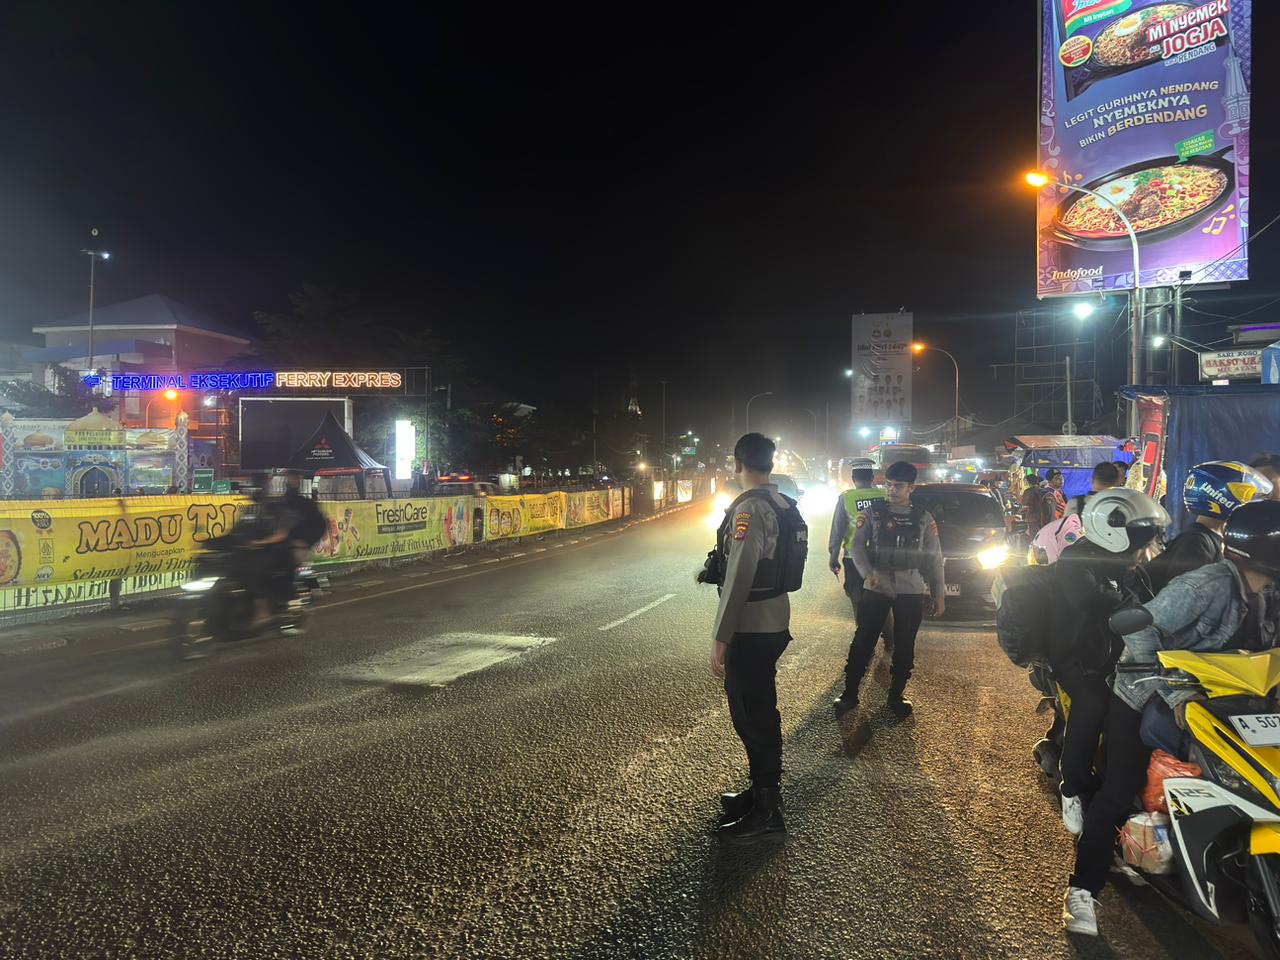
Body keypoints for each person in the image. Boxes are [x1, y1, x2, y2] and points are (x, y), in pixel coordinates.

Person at [1063, 499, 1280, 937]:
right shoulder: (1205, 586)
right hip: (1147, 693)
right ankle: (1082, 890)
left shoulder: (1268, 594)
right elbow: (1138, 626)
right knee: (1118, 789)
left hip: (1220, 703)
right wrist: (1177, 692)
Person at [1048, 490, 1169, 837]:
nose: (1147, 548)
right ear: (1114, 531)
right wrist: (1128, 583)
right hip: (1080, 656)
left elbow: (1151, 602)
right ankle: (1072, 787)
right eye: (1142, 540)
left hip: (1120, 655)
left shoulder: (1128, 563)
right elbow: (1098, 600)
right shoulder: (1076, 559)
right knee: (1094, 704)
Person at [710, 433, 798, 843]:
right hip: (776, 618)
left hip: (751, 626)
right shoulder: (782, 502)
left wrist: (721, 635)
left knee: (752, 714)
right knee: (758, 710)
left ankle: (767, 813)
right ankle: (761, 792)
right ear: (771, 464)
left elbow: (739, 575)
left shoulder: (748, 509)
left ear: (737, 464)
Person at [834, 460, 944, 718]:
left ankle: (896, 696)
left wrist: (938, 594)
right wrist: (867, 573)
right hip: (877, 586)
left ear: (911, 488)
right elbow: (856, 546)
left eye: (899, 486)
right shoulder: (872, 513)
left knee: (905, 645)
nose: (892, 490)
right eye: (889, 485)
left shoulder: (924, 518)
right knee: (863, 641)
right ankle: (850, 693)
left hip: (911, 588)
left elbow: (934, 556)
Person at [1140, 460, 1272, 597]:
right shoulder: (1196, 543)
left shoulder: (1209, 539)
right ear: (1219, 495)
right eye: (1248, 496)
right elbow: (1183, 597)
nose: (1251, 505)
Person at [827, 458, 894, 652]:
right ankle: (890, 639)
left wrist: (833, 556)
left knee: (859, 600)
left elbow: (838, 531)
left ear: (853, 478)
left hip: (854, 558)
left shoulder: (846, 498)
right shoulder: (885, 495)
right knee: (882, 598)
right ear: (872, 477)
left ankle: (865, 642)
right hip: (882, 557)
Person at [250, 471, 327, 625]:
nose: (289, 480)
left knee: (269, 569)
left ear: (298, 480)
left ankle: (272, 607)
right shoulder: (282, 502)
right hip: (279, 545)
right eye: (288, 477)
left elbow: (319, 526)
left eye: (293, 477)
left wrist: (305, 542)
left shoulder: (306, 505)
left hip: (296, 547)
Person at [1021, 470, 1056, 536]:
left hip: (1032, 517)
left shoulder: (1028, 492)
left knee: (1034, 536)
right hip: (1043, 517)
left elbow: (1024, 503)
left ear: (1028, 482)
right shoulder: (1043, 491)